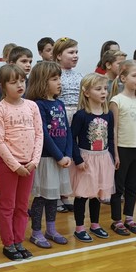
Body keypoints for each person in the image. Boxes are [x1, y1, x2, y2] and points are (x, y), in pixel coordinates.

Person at [0, 64, 43, 261]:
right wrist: (16, 166)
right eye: (13, 82)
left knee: (22, 205)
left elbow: (39, 134)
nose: (20, 85)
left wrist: (34, 161)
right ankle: (8, 243)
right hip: (9, 166)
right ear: (3, 86)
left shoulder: (32, 106)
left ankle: (19, 241)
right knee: (7, 206)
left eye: (22, 81)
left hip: (29, 165)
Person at [25, 61, 73, 248]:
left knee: (54, 196)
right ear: (42, 82)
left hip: (61, 159)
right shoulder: (38, 105)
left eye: (59, 78)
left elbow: (67, 131)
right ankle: (36, 232)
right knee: (42, 197)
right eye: (54, 79)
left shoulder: (59, 104)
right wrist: (59, 156)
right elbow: (43, 135)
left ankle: (51, 229)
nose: (59, 82)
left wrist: (67, 154)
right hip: (46, 159)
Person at [68, 73, 115, 242]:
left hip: (103, 159)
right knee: (82, 195)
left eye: (105, 89)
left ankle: (95, 224)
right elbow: (72, 138)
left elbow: (110, 137)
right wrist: (78, 159)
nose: (103, 92)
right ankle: (79, 228)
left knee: (97, 193)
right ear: (87, 93)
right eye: (98, 89)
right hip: (86, 160)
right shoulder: (81, 115)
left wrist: (113, 156)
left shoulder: (108, 114)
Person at [108, 60, 136, 236]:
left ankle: (129, 218)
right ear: (123, 78)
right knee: (118, 187)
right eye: (134, 75)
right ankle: (117, 220)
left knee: (133, 186)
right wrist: (116, 153)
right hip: (123, 149)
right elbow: (114, 130)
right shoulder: (116, 101)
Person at [53, 37, 82, 212]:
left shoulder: (79, 76)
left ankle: (65, 194)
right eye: (71, 52)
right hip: (60, 117)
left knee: (71, 155)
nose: (75, 55)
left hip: (76, 116)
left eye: (77, 52)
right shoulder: (55, 74)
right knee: (60, 154)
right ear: (58, 55)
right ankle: (55, 196)